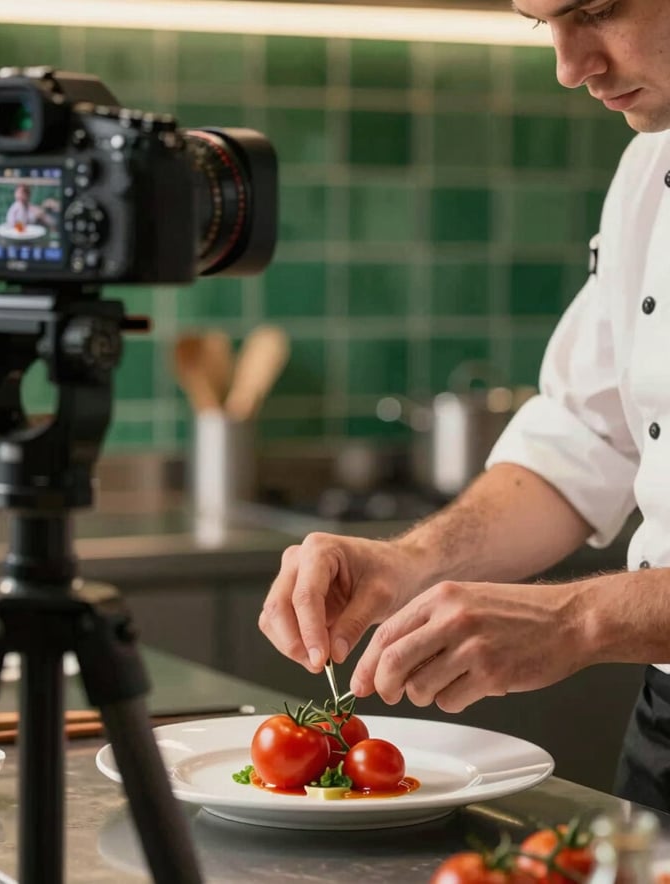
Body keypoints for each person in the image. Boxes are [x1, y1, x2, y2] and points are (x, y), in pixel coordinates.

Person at [259, 0, 670, 812]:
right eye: (539, 22)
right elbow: (582, 441)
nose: (569, 64)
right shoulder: (647, 172)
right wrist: (406, 563)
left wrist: (580, 620)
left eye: (597, 10)